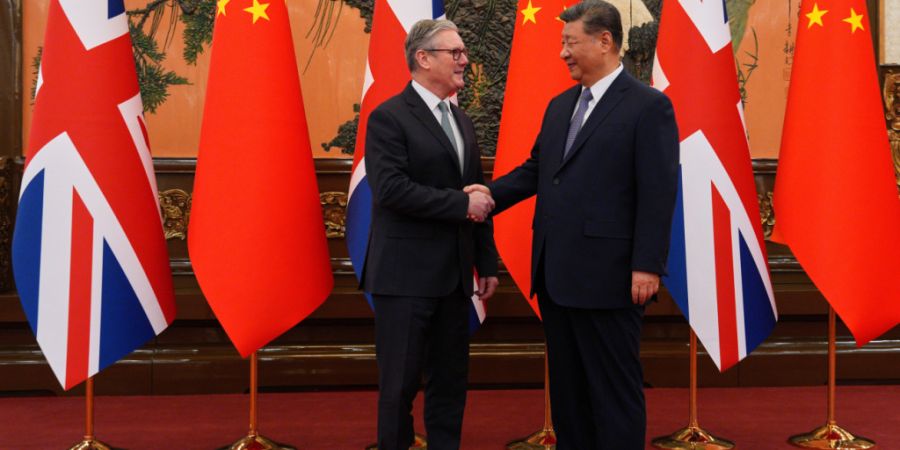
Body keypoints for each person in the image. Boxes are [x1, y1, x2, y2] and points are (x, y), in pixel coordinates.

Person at [465, 1, 679, 448]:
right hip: (558, 274)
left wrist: (647, 265)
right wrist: (487, 195)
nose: (562, 52)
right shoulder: (560, 106)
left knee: (613, 392)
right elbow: (537, 170)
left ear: (605, 41)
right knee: (568, 394)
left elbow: (658, 192)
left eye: (570, 42)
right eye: (562, 42)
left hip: (613, 276)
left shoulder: (648, 106)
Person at [361, 19, 500, 450]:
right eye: (454, 53)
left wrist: (486, 261)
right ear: (423, 59)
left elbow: (477, 189)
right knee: (398, 389)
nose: (464, 60)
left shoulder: (461, 120)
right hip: (404, 280)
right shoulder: (388, 117)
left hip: (455, 279)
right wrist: (461, 204)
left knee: (450, 388)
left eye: (462, 52)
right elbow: (391, 190)